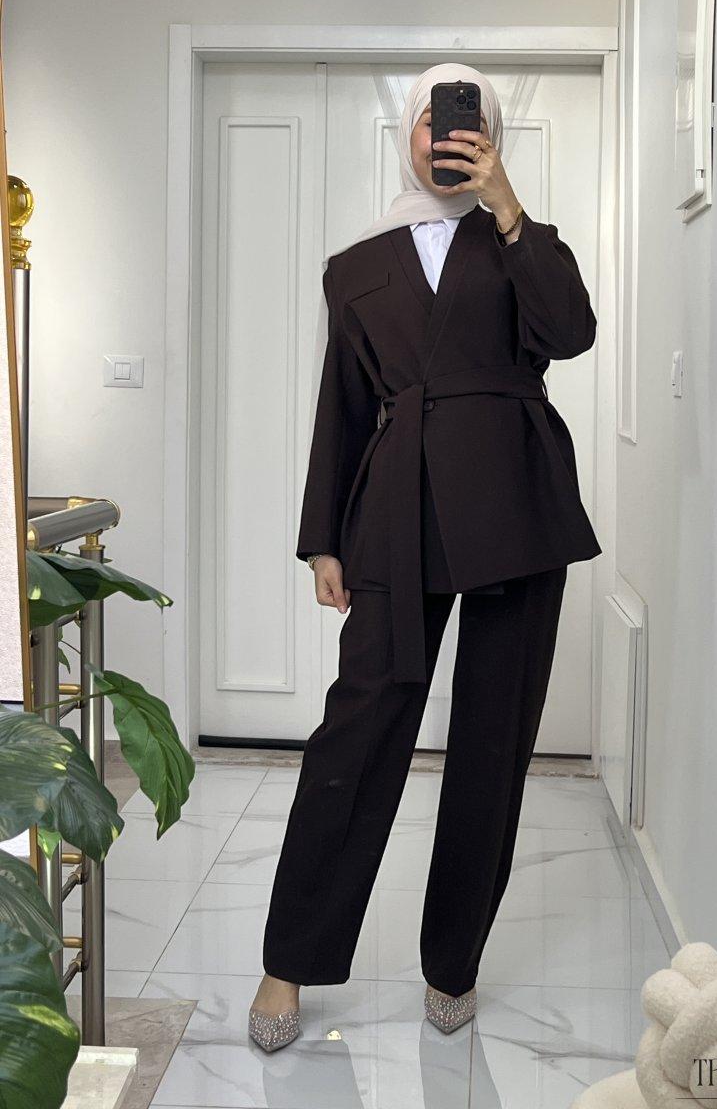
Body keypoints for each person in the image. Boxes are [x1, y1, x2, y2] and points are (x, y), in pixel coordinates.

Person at [248, 61, 602, 1050]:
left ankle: (455, 961)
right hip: (397, 511)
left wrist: (509, 206)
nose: (447, 137)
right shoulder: (355, 266)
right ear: (408, 133)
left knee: (494, 740)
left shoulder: (522, 242)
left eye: (470, 122)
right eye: (434, 123)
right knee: (356, 733)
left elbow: (571, 333)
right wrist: (324, 538)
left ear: (490, 138)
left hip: (517, 504)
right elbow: (342, 406)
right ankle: (290, 959)